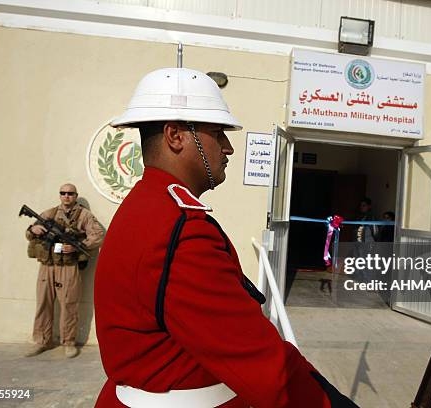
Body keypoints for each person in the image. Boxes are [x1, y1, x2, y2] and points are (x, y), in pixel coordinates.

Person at [94, 68, 358, 407]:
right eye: (218, 134)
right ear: (175, 136)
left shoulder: (148, 207)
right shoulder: (180, 231)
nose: (229, 147)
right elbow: (260, 367)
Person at [24, 183, 104, 358]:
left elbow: (98, 235)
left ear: (76, 195)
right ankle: (41, 341)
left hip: (68, 266)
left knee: (69, 304)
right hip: (47, 265)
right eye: (63, 193)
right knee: (43, 303)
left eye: (70, 193)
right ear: (59, 195)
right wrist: (33, 229)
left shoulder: (84, 215)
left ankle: (68, 342)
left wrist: (78, 247)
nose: (66, 196)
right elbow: (29, 233)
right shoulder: (49, 213)